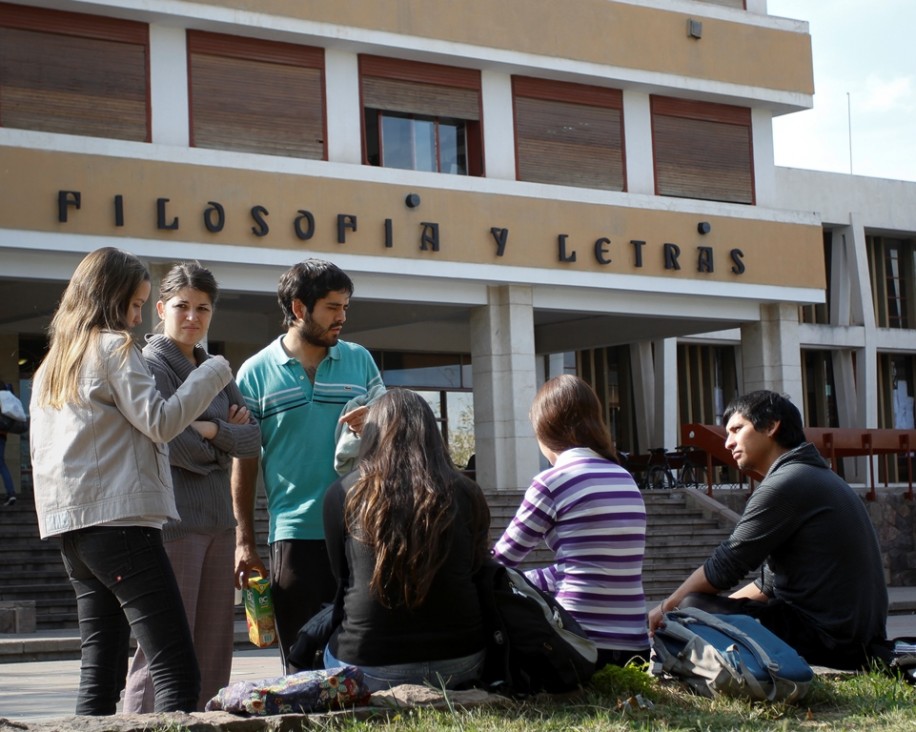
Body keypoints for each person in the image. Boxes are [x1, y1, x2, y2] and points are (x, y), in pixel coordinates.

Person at [28, 247, 234, 715]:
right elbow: (160, 422)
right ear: (111, 298)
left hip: (72, 528)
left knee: (99, 673)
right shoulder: (113, 346)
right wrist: (212, 372)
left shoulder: (52, 364)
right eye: (137, 304)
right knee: (177, 668)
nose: (140, 319)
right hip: (121, 522)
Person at [647, 390, 889, 671]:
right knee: (697, 611)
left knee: (691, 604)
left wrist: (668, 607)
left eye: (737, 429)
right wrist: (714, 613)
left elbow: (725, 566)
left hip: (829, 642)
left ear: (771, 426)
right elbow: (768, 586)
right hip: (854, 642)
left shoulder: (786, 483)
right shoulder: (813, 476)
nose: (728, 443)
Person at [232, 258, 385, 669]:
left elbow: (395, 434)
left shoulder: (361, 361)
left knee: (363, 660)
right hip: (295, 538)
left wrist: (378, 420)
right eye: (333, 308)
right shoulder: (254, 374)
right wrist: (244, 541)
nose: (342, 318)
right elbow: (244, 461)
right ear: (299, 309)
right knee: (302, 667)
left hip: (362, 532)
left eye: (345, 307)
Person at [123, 263, 261, 712]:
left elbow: (253, 439)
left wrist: (207, 430)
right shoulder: (150, 365)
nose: (192, 317)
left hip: (220, 522)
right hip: (174, 524)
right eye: (182, 306)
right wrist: (223, 434)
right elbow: (170, 443)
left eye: (203, 308)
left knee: (215, 646)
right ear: (160, 308)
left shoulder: (217, 368)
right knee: (161, 650)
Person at [322, 388, 491, 691]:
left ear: (372, 436)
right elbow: (477, 567)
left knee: (320, 646)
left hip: (368, 665)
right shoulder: (466, 492)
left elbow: (342, 578)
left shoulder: (344, 492)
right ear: (432, 433)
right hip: (462, 660)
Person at [493, 374, 651, 668]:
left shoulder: (552, 482)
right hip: (635, 646)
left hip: (580, 644)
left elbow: (502, 560)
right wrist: (539, 578)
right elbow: (595, 567)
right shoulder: (625, 478)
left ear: (544, 427)